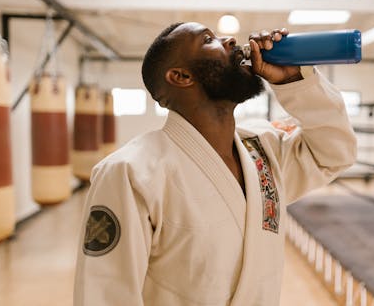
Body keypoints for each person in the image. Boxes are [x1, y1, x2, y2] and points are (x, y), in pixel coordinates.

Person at [73, 22, 357, 306]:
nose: (231, 40)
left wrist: (293, 81)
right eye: (208, 39)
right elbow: (106, 295)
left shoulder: (263, 149)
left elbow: (333, 153)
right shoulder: (131, 171)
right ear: (182, 76)